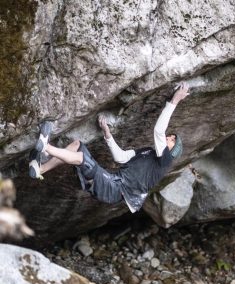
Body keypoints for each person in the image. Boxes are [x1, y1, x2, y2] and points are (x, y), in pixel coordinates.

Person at [29, 83, 189, 212]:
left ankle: (46, 147)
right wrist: (107, 134)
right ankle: (40, 169)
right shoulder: (147, 152)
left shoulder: (165, 161)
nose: (169, 137)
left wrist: (174, 101)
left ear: (172, 151)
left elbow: (158, 131)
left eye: (172, 140)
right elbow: (121, 157)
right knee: (77, 145)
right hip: (112, 181)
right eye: (171, 135)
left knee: (82, 159)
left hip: (116, 191)